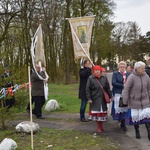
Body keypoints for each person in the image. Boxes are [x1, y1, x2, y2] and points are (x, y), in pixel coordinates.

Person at [123, 61, 150, 140]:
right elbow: (126, 89)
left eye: (144, 68)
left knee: (147, 117)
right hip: (134, 100)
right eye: (142, 68)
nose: (144, 69)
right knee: (136, 118)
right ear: (137, 69)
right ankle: (137, 131)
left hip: (145, 100)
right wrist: (125, 101)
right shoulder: (131, 77)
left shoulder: (146, 76)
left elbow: (149, 88)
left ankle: (149, 132)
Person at [86, 65, 112, 133]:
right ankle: (99, 127)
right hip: (95, 98)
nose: (97, 72)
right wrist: (89, 98)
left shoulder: (104, 77)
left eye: (98, 70)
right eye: (96, 70)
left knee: (101, 113)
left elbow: (107, 88)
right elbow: (88, 89)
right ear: (93, 71)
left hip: (102, 99)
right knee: (97, 113)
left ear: (100, 70)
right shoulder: (90, 78)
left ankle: (101, 126)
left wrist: (110, 96)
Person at [111, 61, 130, 131]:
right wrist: (122, 85)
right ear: (118, 67)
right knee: (119, 106)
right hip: (118, 92)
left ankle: (124, 122)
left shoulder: (128, 74)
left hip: (126, 93)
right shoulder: (116, 73)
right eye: (121, 67)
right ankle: (121, 120)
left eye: (123, 67)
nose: (122, 68)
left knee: (125, 106)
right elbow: (113, 83)